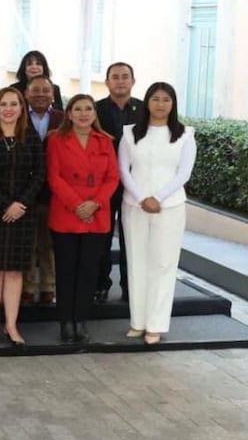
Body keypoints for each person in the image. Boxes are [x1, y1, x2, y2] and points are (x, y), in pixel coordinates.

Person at [118, 82, 195, 345]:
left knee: (163, 265)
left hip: (169, 206)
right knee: (137, 261)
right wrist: (142, 198)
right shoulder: (130, 133)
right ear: (147, 102)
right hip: (134, 205)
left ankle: (156, 324)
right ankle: (138, 322)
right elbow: (123, 170)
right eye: (155, 99)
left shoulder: (185, 134)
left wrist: (158, 198)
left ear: (173, 104)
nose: (160, 104)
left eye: (166, 100)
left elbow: (184, 173)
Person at [0, 88, 45, 349]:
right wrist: (7, 204)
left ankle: (11, 325)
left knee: (14, 272)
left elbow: (39, 174)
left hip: (23, 215)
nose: (8, 108)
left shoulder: (31, 137)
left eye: (14, 104)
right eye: (3, 104)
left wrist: (21, 204)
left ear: (21, 108)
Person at [46, 94, 119, 344]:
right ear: (69, 113)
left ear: (94, 114)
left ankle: (81, 320)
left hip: (96, 215)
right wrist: (77, 204)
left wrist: (94, 204)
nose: (84, 113)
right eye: (78, 109)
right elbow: (54, 177)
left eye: (88, 109)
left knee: (88, 271)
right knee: (66, 271)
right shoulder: (56, 139)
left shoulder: (106, 141)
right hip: (67, 213)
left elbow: (112, 178)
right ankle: (65, 321)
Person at [95, 61, 142, 304]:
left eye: (125, 76)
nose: (120, 80)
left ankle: (129, 286)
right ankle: (101, 285)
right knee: (102, 237)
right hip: (103, 183)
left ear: (133, 81)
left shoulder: (145, 110)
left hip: (136, 184)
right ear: (107, 82)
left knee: (131, 238)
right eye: (115, 76)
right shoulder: (95, 109)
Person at [23, 75, 64, 307]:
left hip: (54, 193)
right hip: (25, 192)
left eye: (45, 91)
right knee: (27, 242)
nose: (40, 94)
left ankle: (49, 287)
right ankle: (27, 287)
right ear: (27, 94)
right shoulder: (18, 116)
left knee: (48, 244)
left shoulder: (62, 118)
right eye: (35, 90)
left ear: (53, 94)